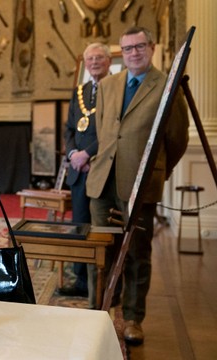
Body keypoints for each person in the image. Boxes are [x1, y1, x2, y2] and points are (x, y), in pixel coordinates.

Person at [86, 26, 189, 345]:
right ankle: (99, 312)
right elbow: (106, 133)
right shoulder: (109, 84)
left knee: (136, 254)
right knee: (100, 251)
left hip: (140, 186)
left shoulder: (166, 87)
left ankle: (132, 318)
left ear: (152, 47)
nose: (133, 53)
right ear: (121, 52)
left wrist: (158, 172)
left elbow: (177, 140)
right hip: (103, 181)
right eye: (127, 48)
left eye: (139, 46)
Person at [58, 43, 112, 298]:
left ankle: (103, 284)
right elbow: (69, 128)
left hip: (103, 169)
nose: (94, 62)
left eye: (99, 57)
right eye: (90, 58)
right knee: (79, 226)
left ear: (109, 60)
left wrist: (87, 154)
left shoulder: (116, 90)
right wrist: (72, 155)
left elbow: (112, 131)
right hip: (79, 170)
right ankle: (80, 282)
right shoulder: (80, 91)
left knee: (100, 229)